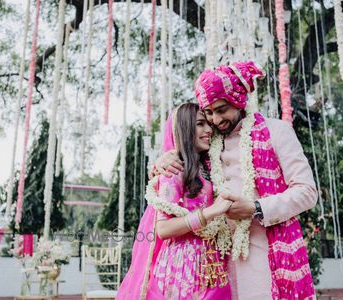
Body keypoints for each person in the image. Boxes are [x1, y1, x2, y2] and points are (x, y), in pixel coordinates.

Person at [153, 61, 318, 299]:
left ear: (239, 100)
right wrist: (162, 161)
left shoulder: (277, 131)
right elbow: (183, 163)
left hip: (267, 254)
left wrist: (257, 208)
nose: (216, 120)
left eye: (221, 110)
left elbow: (307, 192)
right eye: (208, 113)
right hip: (217, 264)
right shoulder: (209, 146)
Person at [116, 103, 233, 300]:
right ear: (184, 129)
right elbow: (163, 229)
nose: (208, 130)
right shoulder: (173, 170)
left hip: (210, 262)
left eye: (208, 124)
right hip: (182, 266)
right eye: (200, 124)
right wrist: (211, 212)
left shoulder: (206, 167)